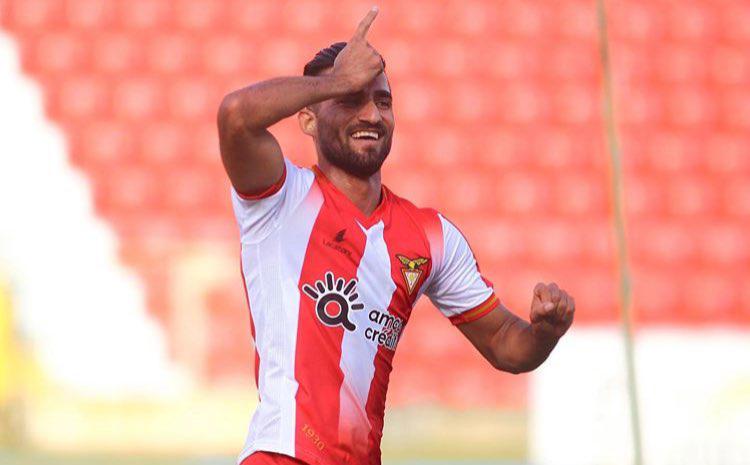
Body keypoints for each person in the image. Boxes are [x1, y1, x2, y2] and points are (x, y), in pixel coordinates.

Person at [217, 7, 575, 465]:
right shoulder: (280, 199)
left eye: (383, 102)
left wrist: (545, 333)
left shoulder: (430, 236)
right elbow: (235, 116)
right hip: (282, 454)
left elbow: (506, 343)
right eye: (350, 99)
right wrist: (336, 80)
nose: (371, 114)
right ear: (308, 120)